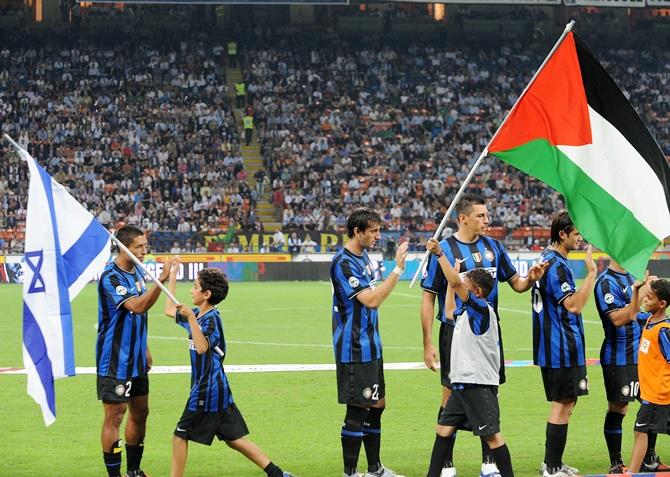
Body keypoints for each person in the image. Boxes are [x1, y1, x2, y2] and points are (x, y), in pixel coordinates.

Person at [420, 194, 546, 477]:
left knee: (489, 391)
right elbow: (429, 298)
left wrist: (532, 279)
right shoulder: (448, 248)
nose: (487, 221)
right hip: (454, 329)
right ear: (462, 218)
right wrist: (428, 342)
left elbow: (518, 284)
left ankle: (489, 462)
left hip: (487, 329)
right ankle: (447, 464)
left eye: (487, 216)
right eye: (480, 216)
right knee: (451, 393)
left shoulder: (494, 247)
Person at [164, 263, 296, 477]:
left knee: (180, 436)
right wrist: (172, 277)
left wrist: (190, 319)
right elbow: (169, 310)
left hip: (207, 391)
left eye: (195, 286)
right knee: (234, 439)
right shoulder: (197, 314)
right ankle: (278, 474)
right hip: (218, 390)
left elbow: (201, 347)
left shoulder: (210, 320)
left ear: (206, 294)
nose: (191, 290)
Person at [425, 238, 514, 477]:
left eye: (465, 283)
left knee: (492, 436)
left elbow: (454, 283)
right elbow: (448, 311)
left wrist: (439, 254)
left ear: (476, 291)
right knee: (443, 429)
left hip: (478, 384)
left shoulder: (481, 309)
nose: (460, 283)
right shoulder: (467, 311)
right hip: (462, 383)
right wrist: (452, 282)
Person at [331, 208, 408, 477]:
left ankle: (375, 468)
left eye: (378, 230)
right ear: (357, 231)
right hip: (354, 348)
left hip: (371, 344)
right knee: (359, 408)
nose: (378, 236)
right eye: (373, 231)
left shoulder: (363, 256)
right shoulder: (343, 262)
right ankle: (350, 473)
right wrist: (398, 269)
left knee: (377, 404)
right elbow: (372, 300)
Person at [96, 225, 177, 477]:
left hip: (137, 357)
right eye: (138, 247)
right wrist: (162, 279)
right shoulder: (112, 276)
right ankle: (114, 475)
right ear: (123, 248)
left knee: (141, 411)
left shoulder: (138, 272)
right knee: (115, 415)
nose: (144, 251)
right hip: (115, 359)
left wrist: (145, 347)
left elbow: (137, 319)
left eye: (145, 246)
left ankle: (134, 471)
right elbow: (138, 307)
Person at [533, 211, 596, 477]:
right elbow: (574, 305)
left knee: (567, 401)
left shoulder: (546, 259)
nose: (580, 239)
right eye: (576, 234)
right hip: (561, 346)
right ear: (562, 234)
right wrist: (592, 273)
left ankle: (553, 462)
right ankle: (552, 466)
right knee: (563, 403)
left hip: (553, 344)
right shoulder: (557, 264)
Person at [594, 260, 667, 473]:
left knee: (650, 404)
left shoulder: (631, 275)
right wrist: (641, 294)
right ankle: (616, 463)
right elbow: (617, 319)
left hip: (643, 357)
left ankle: (649, 458)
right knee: (619, 408)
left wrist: (646, 292)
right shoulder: (605, 282)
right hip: (618, 357)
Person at [627, 279, 670, 472]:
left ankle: (632, 473)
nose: (645, 298)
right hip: (652, 392)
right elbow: (631, 314)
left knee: (640, 431)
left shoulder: (664, 331)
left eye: (649, 297)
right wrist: (636, 290)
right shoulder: (648, 320)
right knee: (641, 431)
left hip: (658, 394)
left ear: (662, 304)